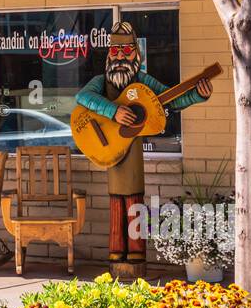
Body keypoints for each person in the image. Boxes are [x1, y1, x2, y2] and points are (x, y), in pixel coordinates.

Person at [76, 21, 212, 262]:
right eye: (115, 51)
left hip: (133, 152)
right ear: (108, 53)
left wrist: (196, 96)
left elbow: (171, 100)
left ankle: (136, 251)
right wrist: (112, 111)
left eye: (126, 51)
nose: (120, 56)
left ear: (135, 53)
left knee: (133, 197)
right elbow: (83, 97)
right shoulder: (101, 82)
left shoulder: (144, 82)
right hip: (109, 149)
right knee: (116, 199)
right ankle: (116, 250)